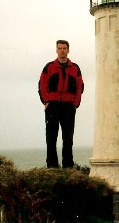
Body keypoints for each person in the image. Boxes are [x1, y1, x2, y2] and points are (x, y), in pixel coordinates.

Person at [38, 40, 84, 168]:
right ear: (56, 50)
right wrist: (46, 101)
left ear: (68, 50)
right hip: (52, 106)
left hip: (68, 107)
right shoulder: (49, 67)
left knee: (68, 138)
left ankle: (68, 166)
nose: (62, 50)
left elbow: (80, 87)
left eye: (64, 48)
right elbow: (42, 84)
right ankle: (52, 167)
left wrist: (75, 104)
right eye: (60, 48)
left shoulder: (75, 68)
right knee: (51, 138)